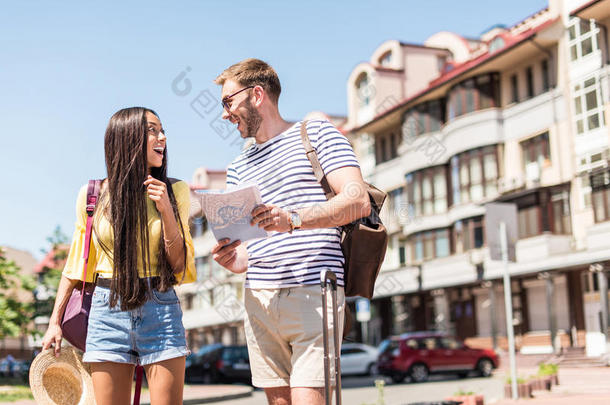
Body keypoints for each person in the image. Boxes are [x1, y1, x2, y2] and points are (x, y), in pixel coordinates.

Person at [211, 59, 370, 405]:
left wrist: (293, 219)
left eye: (227, 102)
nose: (224, 114)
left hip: (313, 290)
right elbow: (246, 252)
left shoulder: (315, 132)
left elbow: (358, 200)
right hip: (259, 298)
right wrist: (232, 258)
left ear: (256, 95)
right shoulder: (237, 167)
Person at [41, 107, 196, 405]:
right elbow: (76, 266)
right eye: (152, 130)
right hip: (106, 307)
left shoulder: (175, 191)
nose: (162, 137)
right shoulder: (92, 195)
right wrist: (54, 322)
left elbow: (177, 265)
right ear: (127, 137)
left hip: (160, 307)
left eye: (162, 130)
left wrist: (166, 211)